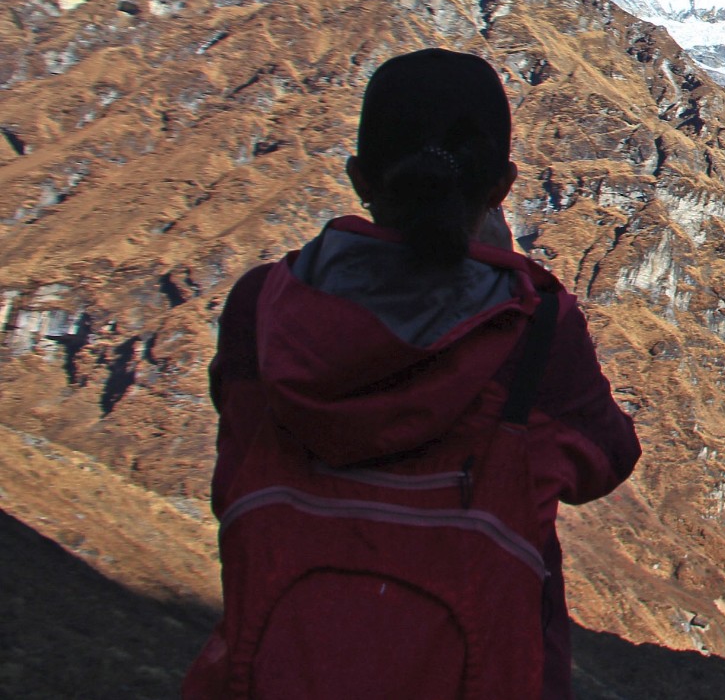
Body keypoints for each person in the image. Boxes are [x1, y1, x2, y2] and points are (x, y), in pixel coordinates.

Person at [185, 48, 640, 700]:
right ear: (502, 186)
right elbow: (606, 459)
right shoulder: (534, 328)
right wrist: (503, 271)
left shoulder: (261, 307)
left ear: (359, 178)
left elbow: (234, 469)